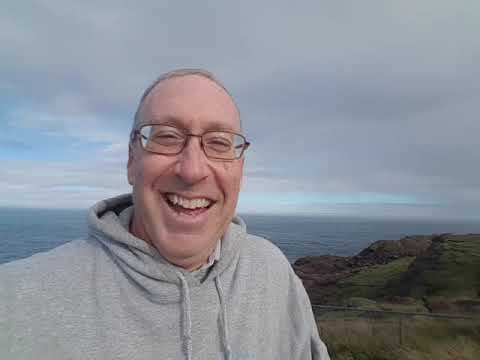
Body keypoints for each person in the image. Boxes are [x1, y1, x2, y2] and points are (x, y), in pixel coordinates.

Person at [0, 69, 330, 360]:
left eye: (218, 143)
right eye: (167, 137)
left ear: (239, 168)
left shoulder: (274, 273)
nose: (192, 170)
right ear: (131, 161)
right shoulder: (17, 300)